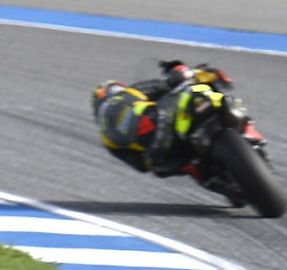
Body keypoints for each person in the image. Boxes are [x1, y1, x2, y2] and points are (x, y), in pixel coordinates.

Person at [91, 60, 234, 182]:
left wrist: (152, 161)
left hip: (166, 154)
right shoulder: (130, 93)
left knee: (182, 168)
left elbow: (140, 166)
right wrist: (176, 69)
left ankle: (217, 179)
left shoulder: (108, 139)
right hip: (168, 135)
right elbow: (169, 82)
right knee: (204, 73)